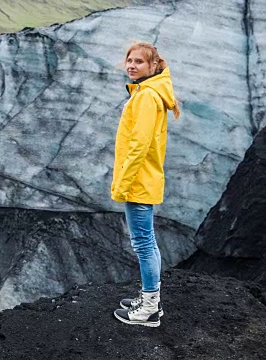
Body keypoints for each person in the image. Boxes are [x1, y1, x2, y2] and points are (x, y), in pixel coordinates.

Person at [111, 41, 180, 327]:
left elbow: (139, 145)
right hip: (143, 179)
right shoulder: (148, 93)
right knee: (145, 241)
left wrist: (123, 183)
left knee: (143, 243)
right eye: (129, 60)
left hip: (139, 181)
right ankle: (149, 299)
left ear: (153, 66)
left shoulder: (147, 97)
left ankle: (149, 308)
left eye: (139, 61)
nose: (131, 65)